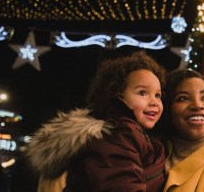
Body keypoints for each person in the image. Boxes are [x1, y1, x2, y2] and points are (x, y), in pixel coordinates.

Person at [26, 51, 167, 191]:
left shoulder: (136, 134)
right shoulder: (118, 134)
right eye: (142, 93)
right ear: (116, 95)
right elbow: (121, 186)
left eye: (157, 95)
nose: (154, 101)